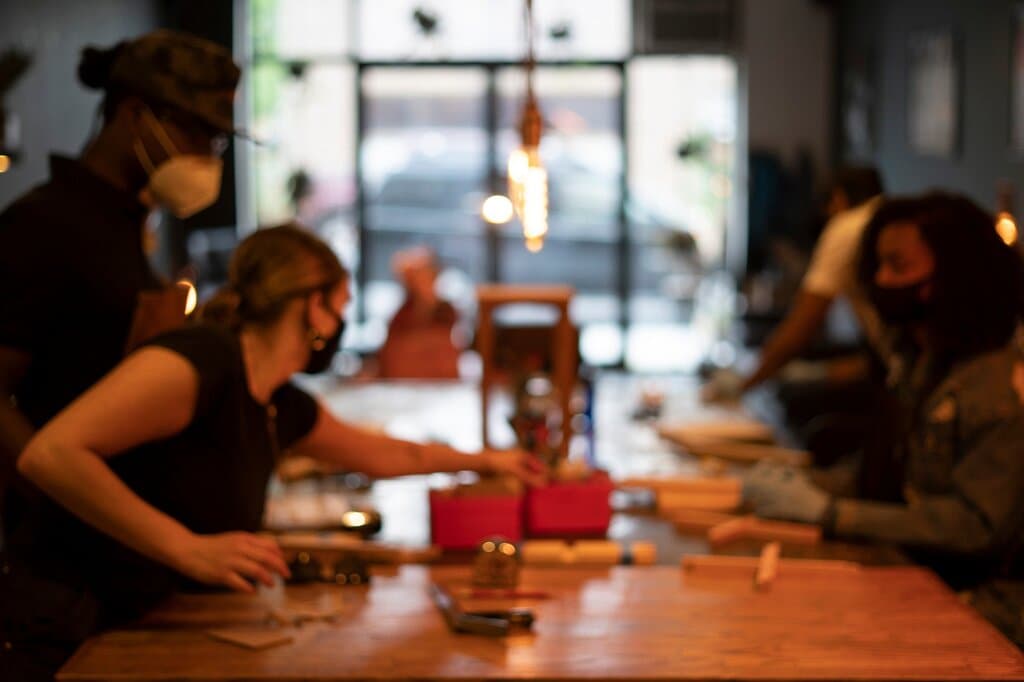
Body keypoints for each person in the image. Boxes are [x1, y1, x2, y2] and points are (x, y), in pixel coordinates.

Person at [2, 224, 545, 680]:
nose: (340, 328)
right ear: (313, 307)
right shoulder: (201, 364)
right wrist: (187, 547)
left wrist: (487, 461)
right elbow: (51, 454)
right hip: (67, 628)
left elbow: (388, 455)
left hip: (140, 621)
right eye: (341, 308)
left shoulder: (275, 400)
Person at [0, 31, 242, 531]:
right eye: (196, 134)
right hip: (63, 553)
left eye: (216, 141)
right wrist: (66, 501)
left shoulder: (126, 226)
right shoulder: (45, 226)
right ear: (135, 116)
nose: (209, 155)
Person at [743, 193, 1024, 588]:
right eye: (879, 265)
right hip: (913, 570)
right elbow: (887, 474)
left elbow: (976, 526)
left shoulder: (998, 384)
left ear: (954, 275)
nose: (881, 280)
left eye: (899, 266)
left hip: (978, 598)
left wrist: (834, 513)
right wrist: (805, 486)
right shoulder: (925, 362)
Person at [703, 166, 886, 401]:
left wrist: (744, 385)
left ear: (839, 198)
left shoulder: (847, 227)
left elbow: (803, 324)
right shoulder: (886, 218)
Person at [377, 246, 461, 379]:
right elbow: (390, 355)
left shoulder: (446, 311)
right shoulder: (402, 313)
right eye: (412, 278)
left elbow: (448, 351)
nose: (416, 282)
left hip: (440, 381)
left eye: (422, 275)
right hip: (406, 383)